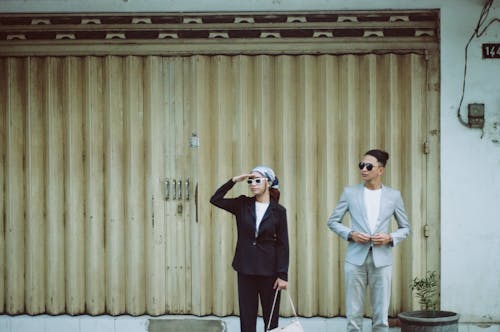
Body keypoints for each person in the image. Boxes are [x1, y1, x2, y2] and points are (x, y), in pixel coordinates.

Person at [327, 149, 410, 332]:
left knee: (381, 315)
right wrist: (350, 234)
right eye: (361, 165)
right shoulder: (350, 193)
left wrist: (390, 237)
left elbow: (405, 228)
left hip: (382, 260)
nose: (363, 169)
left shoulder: (393, 196)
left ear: (380, 170)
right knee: (353, 313)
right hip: (355, 259)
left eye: (368, 166)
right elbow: (332, 221)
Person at [210, 166, 289, 332]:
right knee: (247, 317)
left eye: (258, 180)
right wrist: (233, 181)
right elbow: (215, 199)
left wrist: (283, 275)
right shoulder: (242, 204)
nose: (253, 184)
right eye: (250, 181)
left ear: (268, 183)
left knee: (271, 318)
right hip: (245, 269)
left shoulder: (279, 211)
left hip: (270, 271)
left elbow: (283, 244)